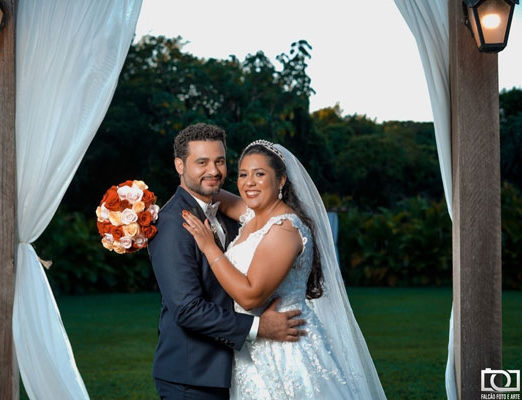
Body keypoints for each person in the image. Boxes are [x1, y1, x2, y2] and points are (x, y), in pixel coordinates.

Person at [182, 139, 387, 399]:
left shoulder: (285, 229)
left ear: (281, 180)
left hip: (285, 350)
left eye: (259, 174)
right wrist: (143, 200)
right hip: (251, 348)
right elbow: (205, 189)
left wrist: (209, 247)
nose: (249, 182)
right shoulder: (252, 215)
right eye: (243, 174)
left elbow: (250, 296)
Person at [148, 124, 307, 400]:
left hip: (234, 369)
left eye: (219, 161)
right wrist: (260, 327)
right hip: (192, 375)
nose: (213, 170)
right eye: (202, 162)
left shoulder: (227, 211)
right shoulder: (173, 223)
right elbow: (187, 309)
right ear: (179, 165)